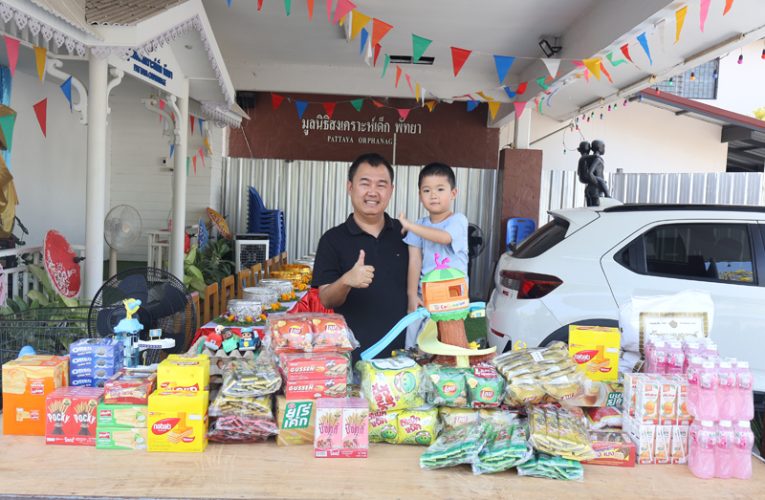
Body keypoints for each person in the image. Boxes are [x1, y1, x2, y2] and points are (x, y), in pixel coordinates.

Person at [311, 153, 409, 356]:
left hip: (405, 358)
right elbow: (326, 299)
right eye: (365, 183)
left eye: (381, 185)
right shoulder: (332, 239)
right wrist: (346, 280)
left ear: (391, 190)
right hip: (354, 357)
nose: (373, 192)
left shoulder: (408, 236)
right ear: (350, 187)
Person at [398, 162, 468, 348]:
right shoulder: (419, 225)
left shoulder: (458, 220)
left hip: (452, 297)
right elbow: (414, 261)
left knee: (447, 343)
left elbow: (444, 237)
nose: (433, 195)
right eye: (427, 190)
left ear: (453, 193)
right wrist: (412, 295)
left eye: (440, 189)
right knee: (415, 344)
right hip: (425, 295)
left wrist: (411, 226)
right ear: (420, 195)